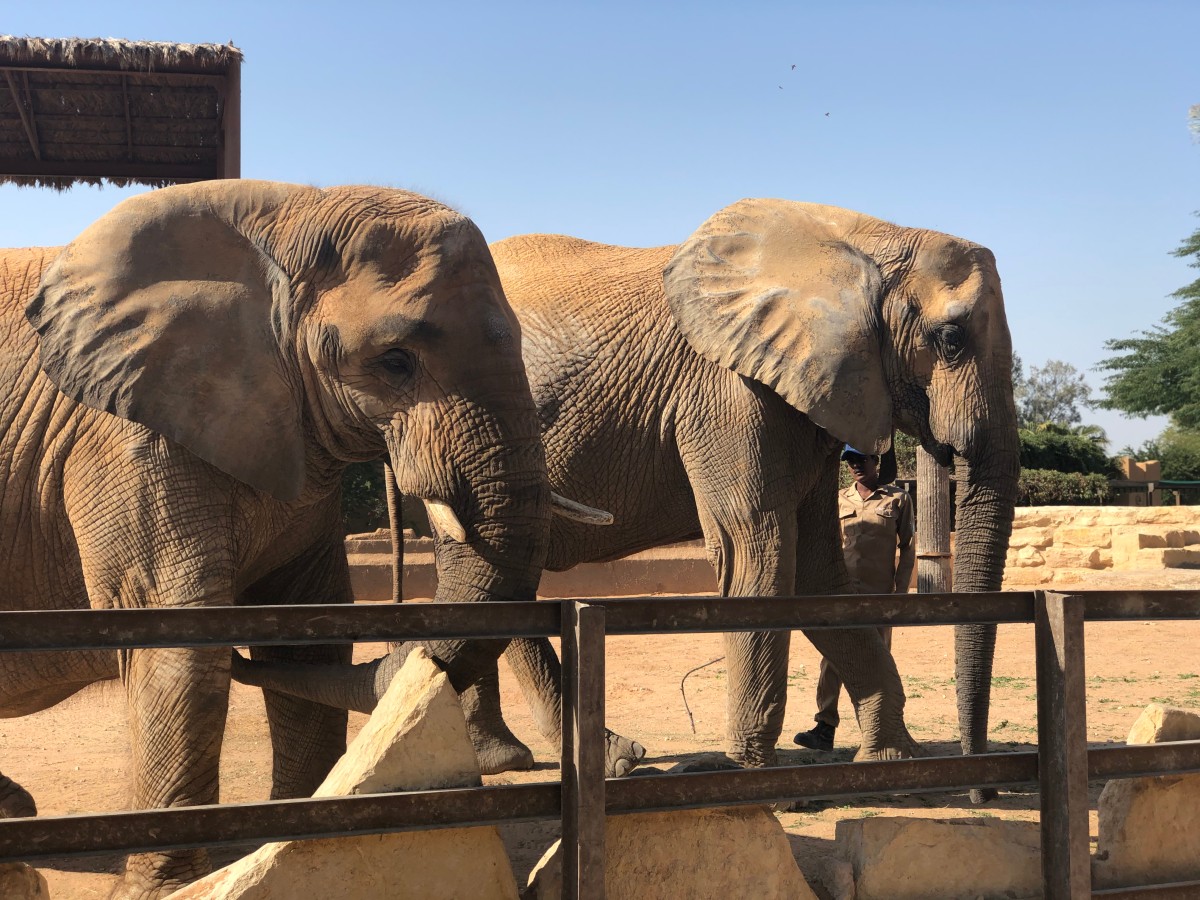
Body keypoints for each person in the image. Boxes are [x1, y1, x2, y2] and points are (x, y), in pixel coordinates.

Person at [793, 444, 916, 751]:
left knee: (878, 658)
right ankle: (824, 727)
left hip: (879, 596)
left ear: (876, 461)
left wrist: (900, 592)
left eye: (861, 459)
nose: (856, 466)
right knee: (833, 657)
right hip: (842, 591)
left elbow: (908, 546)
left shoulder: (898, 499)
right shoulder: (837, 499)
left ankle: (880, 729)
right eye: (850, 461)